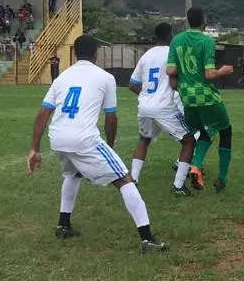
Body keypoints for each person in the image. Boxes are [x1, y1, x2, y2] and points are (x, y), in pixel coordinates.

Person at [26, 34, 167, 253]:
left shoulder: (62, 77)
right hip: (83, 138)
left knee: (72, 174)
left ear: (74, 53)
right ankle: (147, 240)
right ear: (96, 54)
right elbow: (111, 117)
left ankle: (63, 225)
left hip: (58, 137)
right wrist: (109, 145)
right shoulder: (105, 77)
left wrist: (34, 148)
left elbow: (44, 112)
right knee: (125, 180)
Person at [166, 7, 235, 192]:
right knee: (226, 132)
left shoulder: (176, 40)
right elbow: (209, 73)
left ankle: (195, 166)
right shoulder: (206, 41)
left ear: (188, 20)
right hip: (205, 95)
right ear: (203, 21)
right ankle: (221, 178)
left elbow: (170, 71)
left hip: (186, 97)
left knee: (204, 133)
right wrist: (223, 71)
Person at [127, 23, 196, 195]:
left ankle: (133, 181)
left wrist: (146, 96)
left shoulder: (146, 55)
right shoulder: (173, 53)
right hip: (165, 107)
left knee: (144, 139)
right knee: (189, 141)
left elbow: (132, 84)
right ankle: (178, 186)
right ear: (170, 36)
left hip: (145, 106)